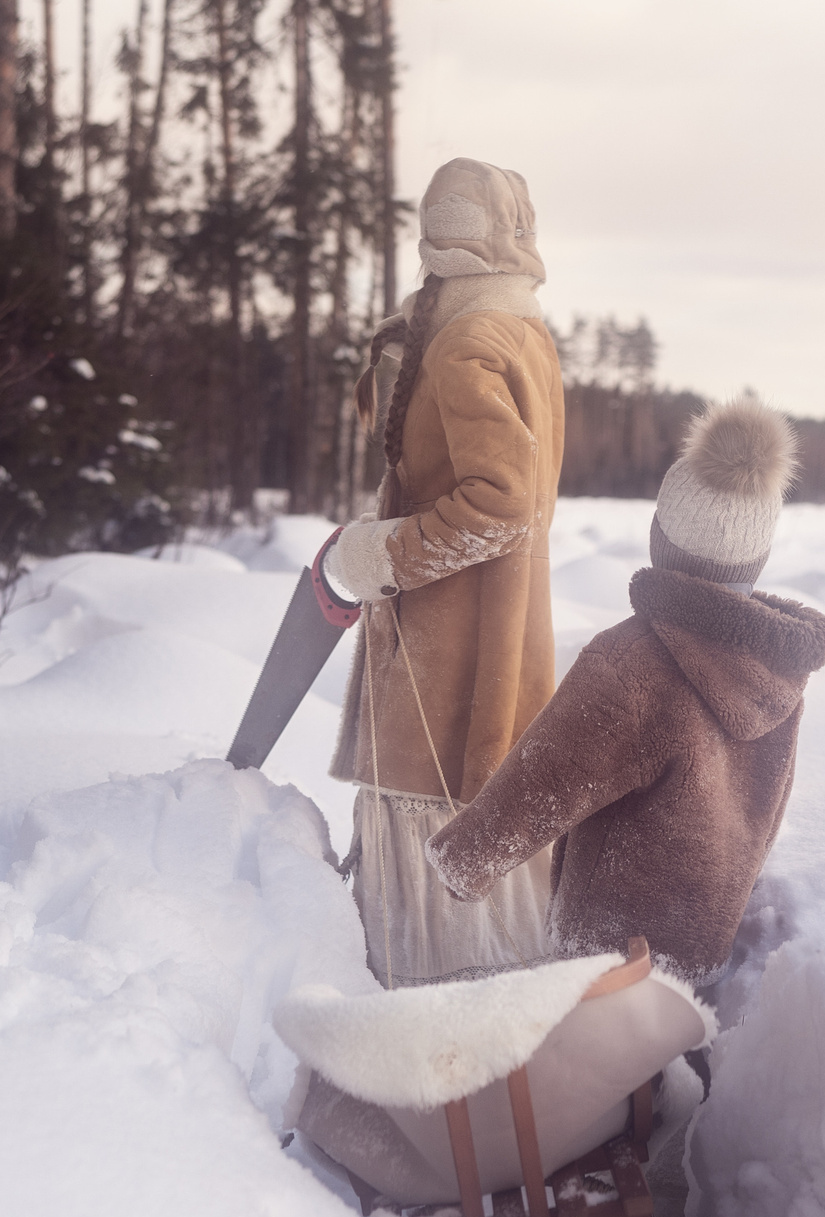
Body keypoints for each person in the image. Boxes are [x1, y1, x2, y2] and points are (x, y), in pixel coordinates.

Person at [424, 396, 825, 990]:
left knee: (586, 1050)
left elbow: (549, 777)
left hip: (606, 950)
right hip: (702, 947)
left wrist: (466, 857)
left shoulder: (633, 661)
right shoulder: (777, 664)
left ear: (659, 537)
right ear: (759, 555)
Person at [317, 158, 565, 986]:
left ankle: (428, 1036)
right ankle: (496, 1035)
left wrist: (381, 554)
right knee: (485, 886)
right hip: (503, 644)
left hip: (446, 659)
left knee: (429, 902)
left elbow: (502, 506)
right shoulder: (520, 329)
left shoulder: (467, 342)